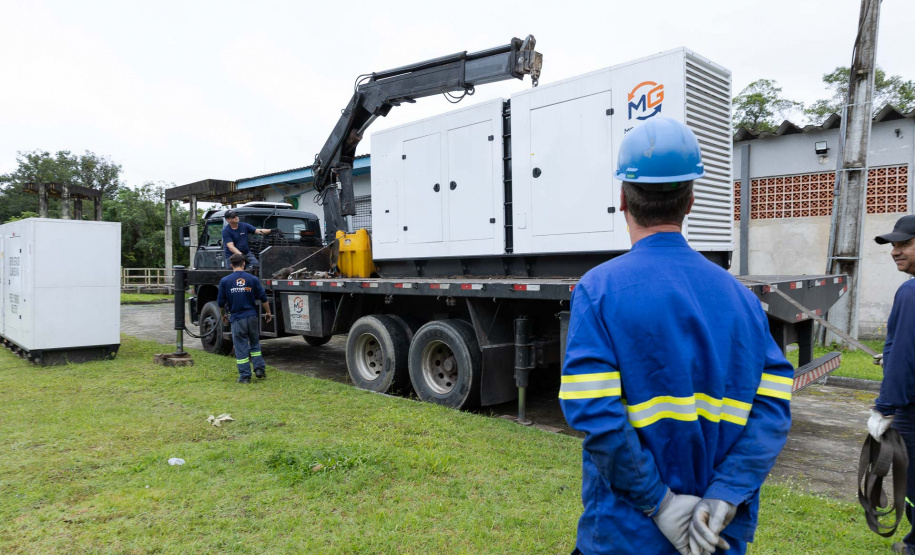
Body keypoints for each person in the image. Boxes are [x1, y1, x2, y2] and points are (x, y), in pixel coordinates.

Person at [560, 117, 794, 555]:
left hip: (626, 535)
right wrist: (726, 494)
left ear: (623, 200)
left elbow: (596, 413)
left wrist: (660, 502)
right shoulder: (741, 298)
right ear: (690, 201)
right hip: (715, 537)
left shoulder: (599, 290)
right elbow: (773, 409)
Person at [866, 215, 915, 555]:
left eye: (905, 244)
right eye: (893, 245)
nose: (896, 251)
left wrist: (884, 408)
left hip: (911, 409)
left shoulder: (911, 292)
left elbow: (904, 356)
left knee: (912, 485)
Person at [217, 253, 273, 383]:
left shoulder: (225, 281)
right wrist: (268, 312)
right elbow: (263, 298)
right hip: (252, 317)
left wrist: (223, 315)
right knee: (254, 343)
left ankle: (245, 376)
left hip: (237, 318)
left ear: (231, 265)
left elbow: (220, 302)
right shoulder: (252, 279)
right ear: (243, 264)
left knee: (241, 346)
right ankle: (259, 370)